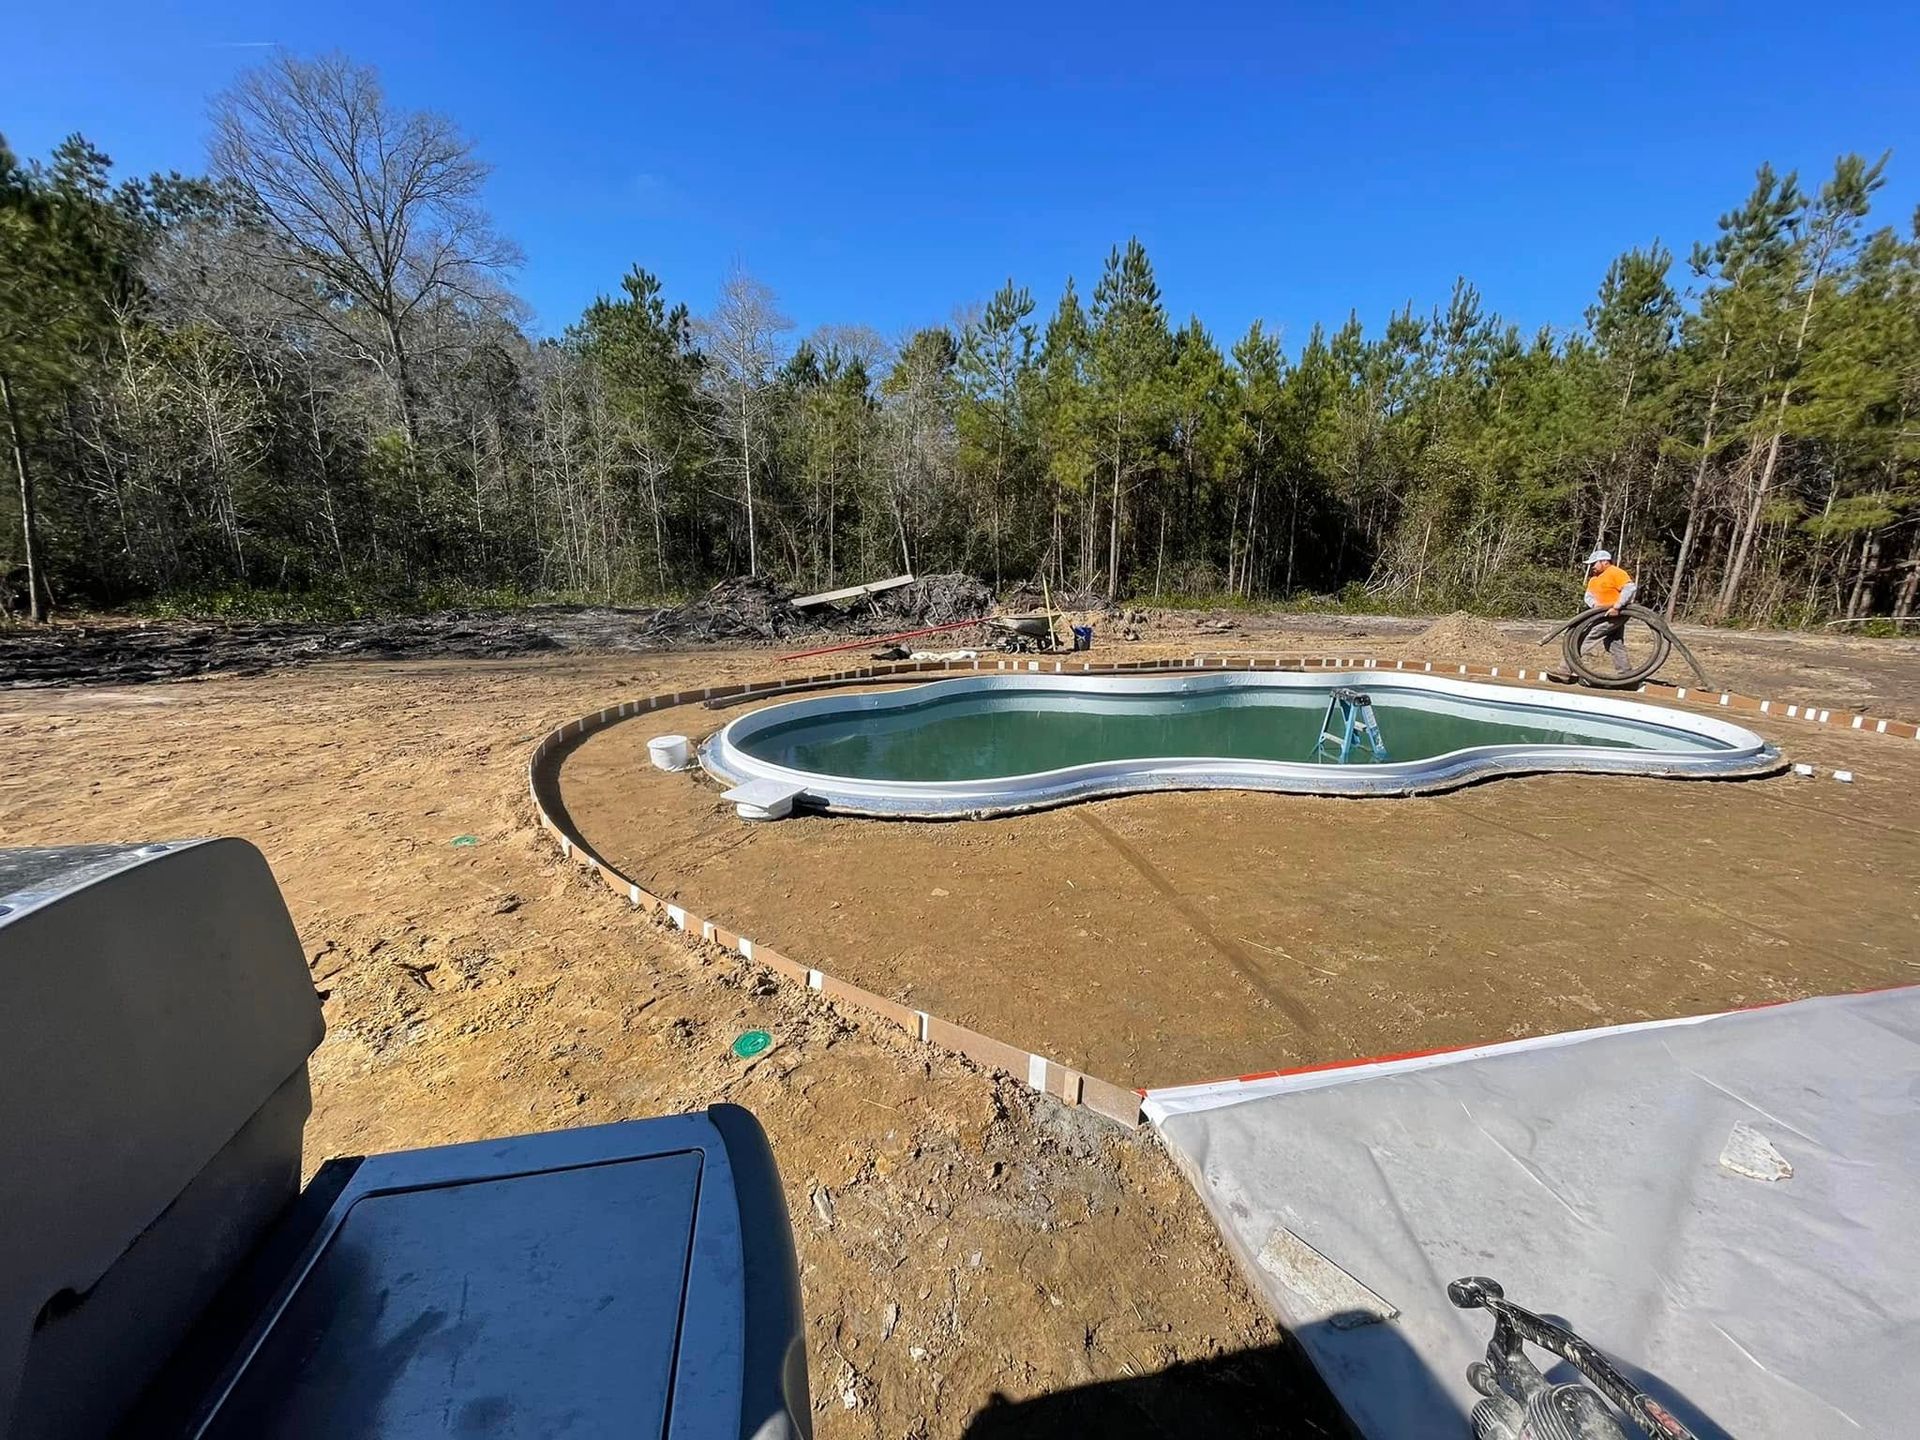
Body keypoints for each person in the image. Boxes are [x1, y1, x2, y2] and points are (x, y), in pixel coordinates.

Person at [1581, 549, 1637, 675]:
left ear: (1605, 562)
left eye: (1594, 563)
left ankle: (1566, 668)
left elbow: (1630, 588)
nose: (1592, 566)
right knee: (1614, 643)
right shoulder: (1594, 579)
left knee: (1586, 636)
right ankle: (1626, 675)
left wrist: (1617, 607)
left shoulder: (1615, 572)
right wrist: (1596, 606)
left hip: (1616, 614)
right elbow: (1588, 596)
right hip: (1602, 614)